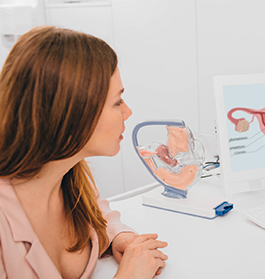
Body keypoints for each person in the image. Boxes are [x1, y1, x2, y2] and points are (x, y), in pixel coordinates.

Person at [0, 26, 168, 279]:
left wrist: (117, 236)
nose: (128, 112)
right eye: (117, 102)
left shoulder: (71, 174)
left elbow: (96, 211)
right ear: (71, 114)